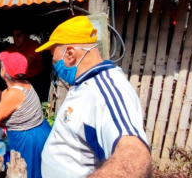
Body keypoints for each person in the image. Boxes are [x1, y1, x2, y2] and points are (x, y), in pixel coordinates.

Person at [36, 16, 151, 178]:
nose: (55, 66)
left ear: (70, 54)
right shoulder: (83, 82)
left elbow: (135, 154)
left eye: (55, 61)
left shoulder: (107, 90)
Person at [0, 51, 51, 178]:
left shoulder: (14, 94)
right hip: (37, 131)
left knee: (27, 172)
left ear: (4, 72)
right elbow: (5, 98)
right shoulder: (23, 84)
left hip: (29, 138)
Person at [2, 28, 50, 103]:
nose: (15, 38)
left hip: (37, 80)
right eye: (13, 36)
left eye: (18, 35)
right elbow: (1, 61)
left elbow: (27, 61)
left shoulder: (34, 45)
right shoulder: (12, 48)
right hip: (20, 80)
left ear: (26, 35)